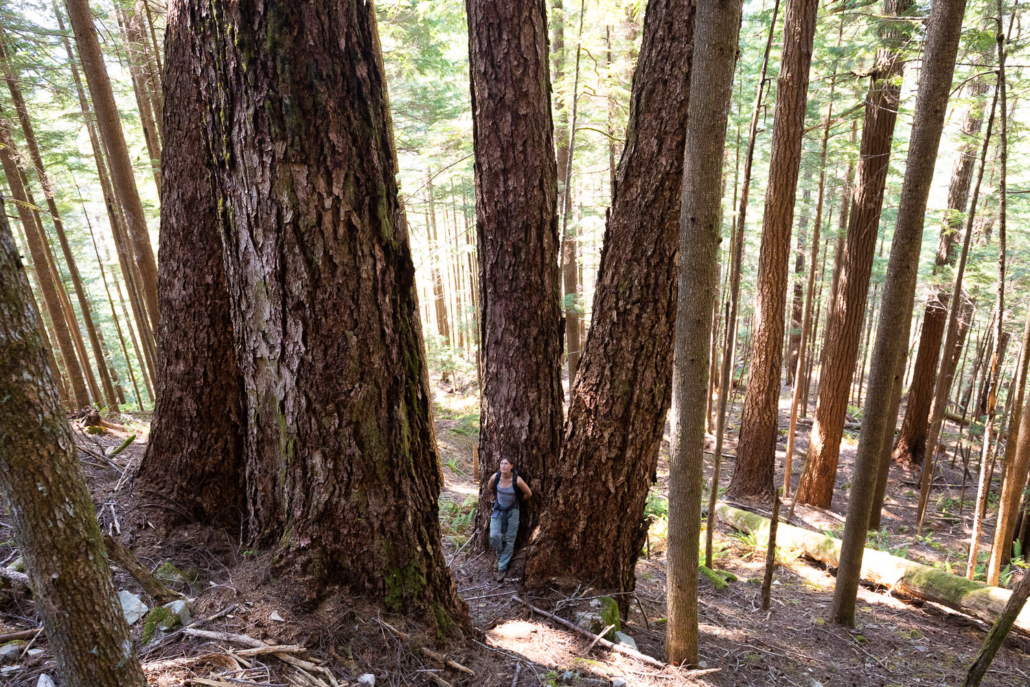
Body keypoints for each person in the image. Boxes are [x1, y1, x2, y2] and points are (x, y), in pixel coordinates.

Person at [486, 458, 532, 582]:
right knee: (494, 535)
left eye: (506, 463)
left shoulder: (517, 480)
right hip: (498, 510)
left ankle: (502, 567)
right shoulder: (495, 477)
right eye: (501, 463)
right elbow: (490, 488)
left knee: (510, 539)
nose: (503, 465)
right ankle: (500, 554)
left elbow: (528, 493)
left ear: (511, 466)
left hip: (513, 512)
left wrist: (517, 502)